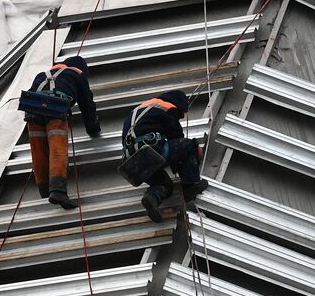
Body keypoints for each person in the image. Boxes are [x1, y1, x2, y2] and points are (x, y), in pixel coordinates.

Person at [23, 54, 101, 209]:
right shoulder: (77, 74)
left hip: (32, 109)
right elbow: (87, 105)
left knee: (39, 150)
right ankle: (58, 191)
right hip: (55, 106)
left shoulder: (41, 75)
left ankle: (45, 188)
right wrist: (93, 129)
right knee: (57, 148)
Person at [119, 90, 203, 222]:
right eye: (182, 113)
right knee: (189, 145)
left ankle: (152, 198)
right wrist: (195, 152)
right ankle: (190, 186)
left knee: (164, 185)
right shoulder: (168, 107)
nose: (181, 117)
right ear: (179, 104)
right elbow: (177, 136)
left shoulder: (141, 109)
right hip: (151, 151)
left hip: (131, 162)